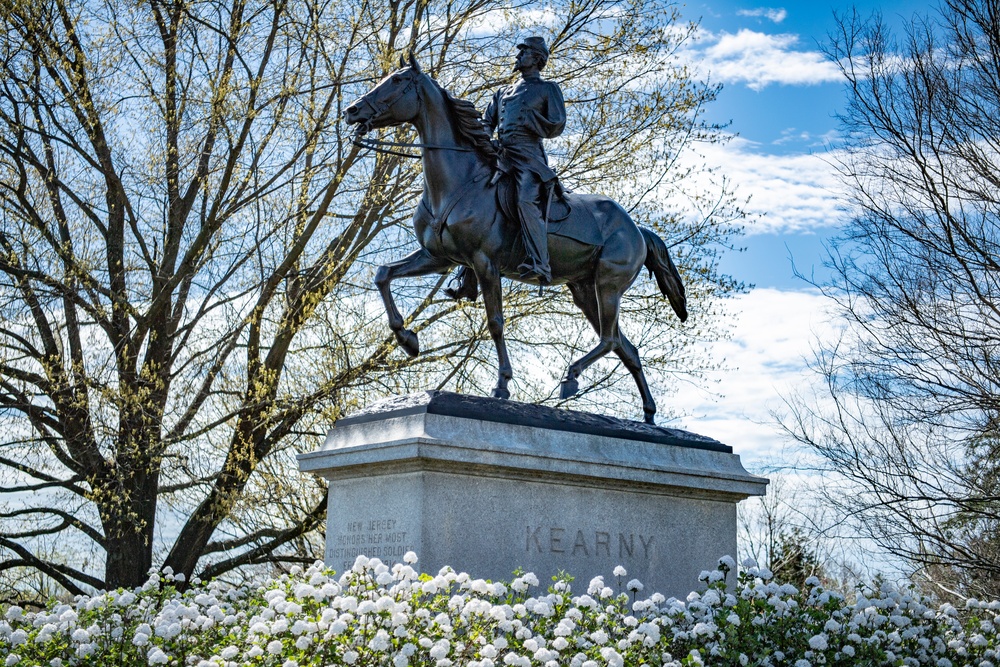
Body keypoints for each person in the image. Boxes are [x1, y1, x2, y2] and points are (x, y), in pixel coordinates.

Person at [446, 36, 566, 299]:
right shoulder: (502, 93)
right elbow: (488, 123)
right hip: (501, 157)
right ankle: (468, 280)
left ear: (536, 58)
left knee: (525, 200)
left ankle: (540, 262)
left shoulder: (548, 89)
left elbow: (557, 124)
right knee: (476, 204)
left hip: (528, 159)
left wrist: (533, 119)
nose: (517, 57)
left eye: (523, 53)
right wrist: (482, 138)